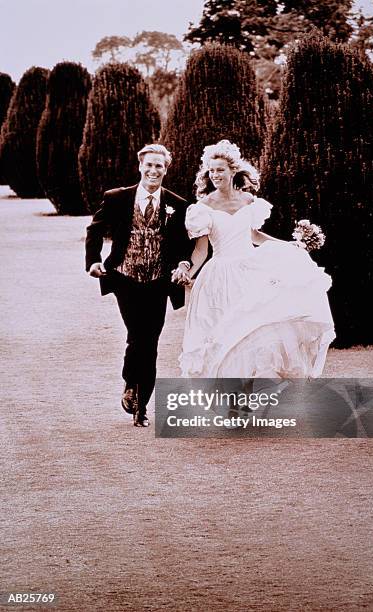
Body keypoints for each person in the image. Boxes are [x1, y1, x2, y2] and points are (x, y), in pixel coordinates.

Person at [172, 140, 335, 380]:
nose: (215, 175)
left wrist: (289, 246)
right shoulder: (203, 207)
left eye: (220, 170)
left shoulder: (248, 200)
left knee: (252, 333)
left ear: (232, 170)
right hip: (219, 276)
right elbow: (201, 251)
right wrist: (189, 270)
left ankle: (247, 398)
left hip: (250, 271)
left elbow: (254, 235)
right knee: (220, 334)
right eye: (212, 170)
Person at [85, 144, 193, 426]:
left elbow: (184, 244)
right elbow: (95, 229)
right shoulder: (117, 198)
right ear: (140, 166)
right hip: (124, 277)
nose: (154, 170)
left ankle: (140, 404)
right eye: (149, 165)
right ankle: (131, 383)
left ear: (166, 169)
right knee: (137, 333)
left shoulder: (177, 204)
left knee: (151, 340)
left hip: (158, 281)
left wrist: (183, 264)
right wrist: (93, 261)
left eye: (160, 166)